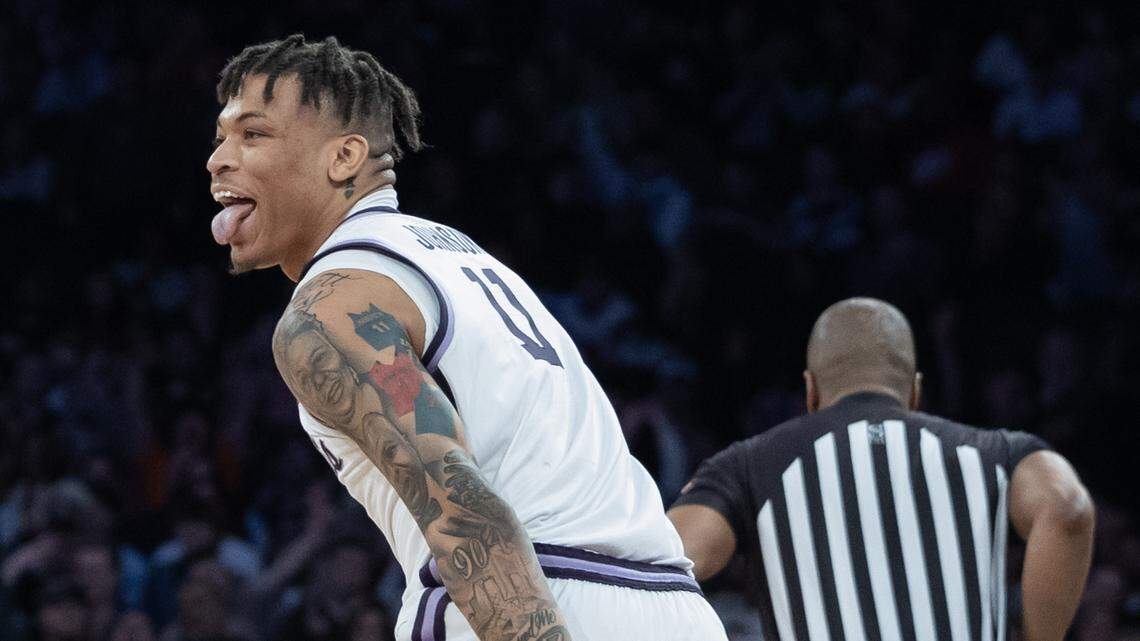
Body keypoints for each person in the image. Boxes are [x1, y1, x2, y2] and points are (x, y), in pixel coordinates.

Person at [206, 34, 726, 641]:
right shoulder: (456, 253)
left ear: (344, 157)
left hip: (530, 596)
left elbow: (463, 505)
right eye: (221, 137)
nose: (218, 159)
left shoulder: (332, 309)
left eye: (253, 135)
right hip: (671, 607)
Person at [669, 297, 1095, 641]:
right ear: (915, 392)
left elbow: (667, 558)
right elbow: (1069, 509)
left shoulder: (746, 465)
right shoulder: (995, 453)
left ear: (811, 390)